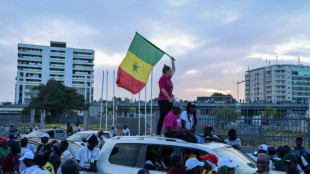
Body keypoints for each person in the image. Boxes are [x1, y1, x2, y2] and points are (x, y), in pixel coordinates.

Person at [156, 57, 175, 136]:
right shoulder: (162, 79)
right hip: (163, 100)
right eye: (169, 71)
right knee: (163, 116)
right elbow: (163, 90)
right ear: (166, 71)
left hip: (168, 100)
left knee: (169, 116)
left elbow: (174, 70)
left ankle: (167, 131)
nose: (171, 72)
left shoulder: (168, 78)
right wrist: (169, 98)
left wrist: (172, 61)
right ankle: (158, 133)